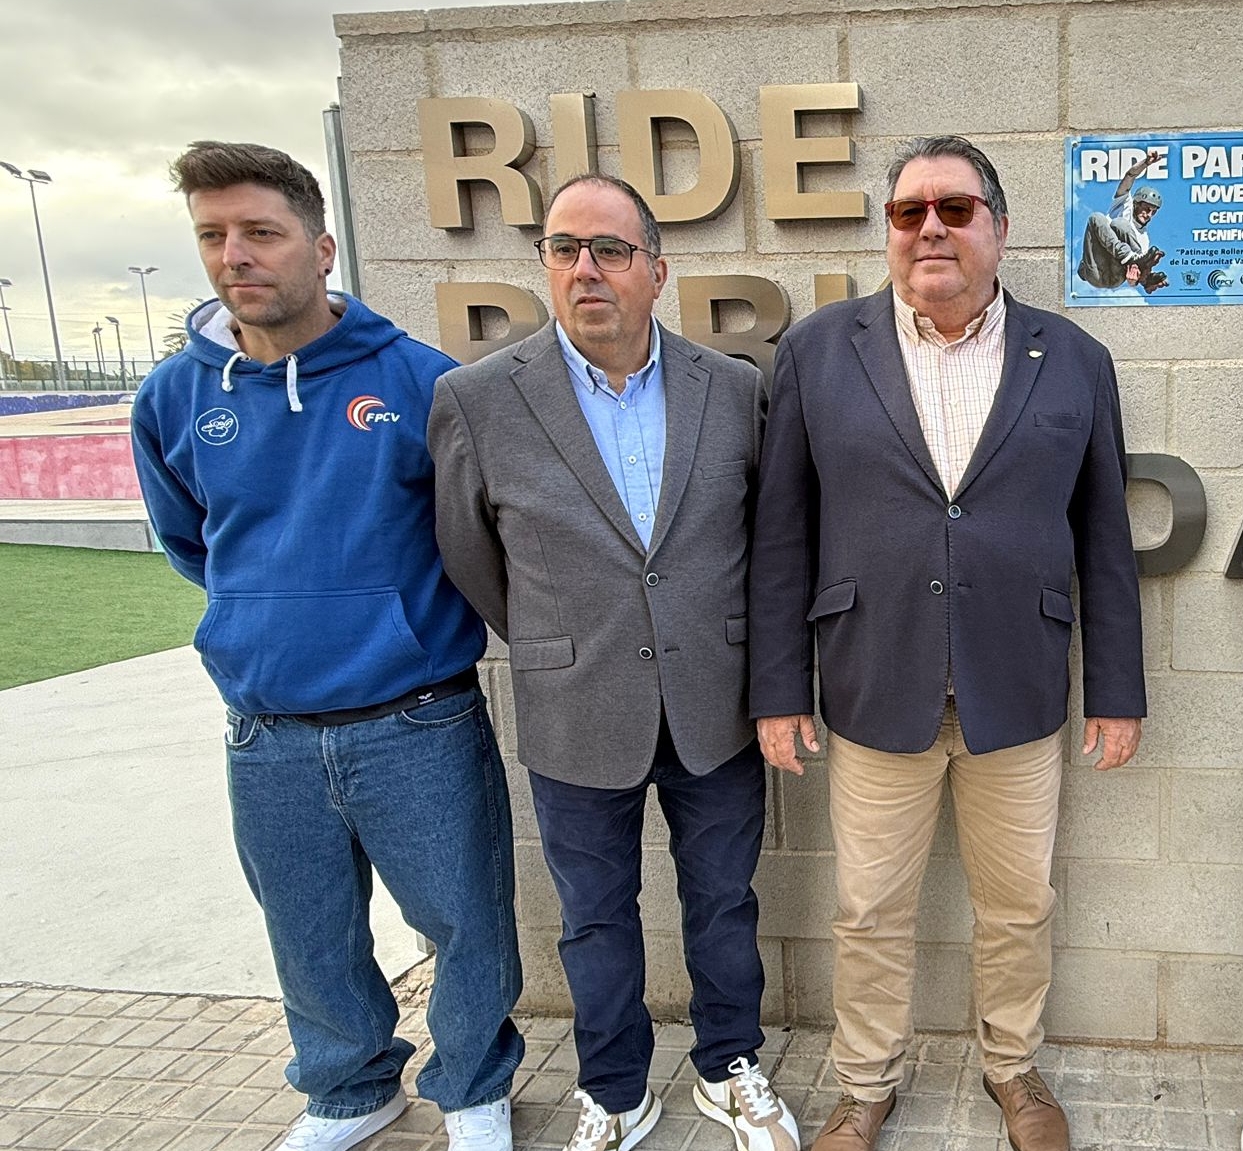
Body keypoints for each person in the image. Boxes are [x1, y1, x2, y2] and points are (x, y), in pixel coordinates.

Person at [749, 134, 1147, 1151]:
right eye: (908, 211)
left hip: (1018, 684)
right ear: (889, 231)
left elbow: (1105, 537)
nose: (930, 227)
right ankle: (864, 1083)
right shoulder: (818, 352)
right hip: (874, 678)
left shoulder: (1075, 360)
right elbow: (783, 533)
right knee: (869, 906)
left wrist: (1117, 688)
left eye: (955, 209)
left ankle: (1013, 1066)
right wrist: (778, 689)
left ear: (999, 230)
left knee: (1019, 902)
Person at [129, 141, 522, 1151]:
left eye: (261, 232)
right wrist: (265, 622)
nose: (236, 255)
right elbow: (191, 543)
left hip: (416, 716)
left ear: (321, 246)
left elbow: (472, 538)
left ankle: (474, 1085)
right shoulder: (173, 398)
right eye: (214, 235)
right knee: (307, 929)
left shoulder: (421, 382)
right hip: (266, 731)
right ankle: (350, 1088)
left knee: (464, 917)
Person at [429, 173, 799, 1151]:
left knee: (724, 900)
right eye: (564, 248)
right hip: (575, 701)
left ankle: (728, 1065)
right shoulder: (477, 399)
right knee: (593, 915)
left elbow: (764, 541)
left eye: (611, 249)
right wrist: (561, 636)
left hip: (714, 700)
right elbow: (470, 553)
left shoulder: (732, 389)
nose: (585, 268)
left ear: (657, 272)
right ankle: (616, 1088)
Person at [1077, 146, 1169, 292]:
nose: (1149, 215)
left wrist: (1133, 281)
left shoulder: (1143, 239)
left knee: (1121, 226)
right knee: (1101, 219)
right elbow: (1129, 176)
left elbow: (1133, 278)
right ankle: (1130, 258)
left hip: (1116, 275)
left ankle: (1144, 274)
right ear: (1136, 204)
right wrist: (1145, 163)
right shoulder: (1123, 204)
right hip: (1096, 271)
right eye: (1146, 209)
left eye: (1153, 212)